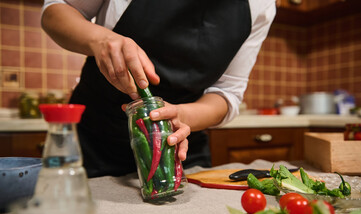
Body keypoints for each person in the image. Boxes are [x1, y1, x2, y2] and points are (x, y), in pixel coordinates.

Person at [41, 0, 276, 178]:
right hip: (95, 145)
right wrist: (100, 39)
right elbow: (56, 11)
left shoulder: (261, 5)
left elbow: (227, 93)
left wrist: (182, 115)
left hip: (179, 151)